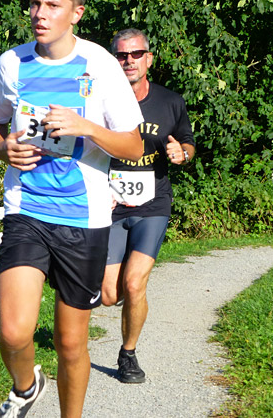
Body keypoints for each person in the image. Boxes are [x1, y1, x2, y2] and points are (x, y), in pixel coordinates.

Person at [0, 0, 144, 418]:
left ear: (76, 12)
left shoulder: (101, 65)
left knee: (70, 343)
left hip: (83, 219)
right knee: (13, 332)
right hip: (26, 208)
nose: (40, 14)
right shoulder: (11, 64)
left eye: (52, 5)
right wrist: (4, 148)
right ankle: (27, 386)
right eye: (35, 3)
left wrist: (85, 127)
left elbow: (133, 146)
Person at [101, 28, 195, 383]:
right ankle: (123, 292)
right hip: (110, 204)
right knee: (109, 295)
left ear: (149, 59)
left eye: (136, 54)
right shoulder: (99, 101)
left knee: (135, 283)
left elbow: (187, 142)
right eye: (122, 55)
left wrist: (182, 154)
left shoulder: (170, 101)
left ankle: (128, 355)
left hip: (153, 203)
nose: (129, 61)